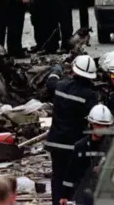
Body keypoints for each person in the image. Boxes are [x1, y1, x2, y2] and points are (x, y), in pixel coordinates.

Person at [45, 55, 99, 205]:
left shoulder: (61, 86)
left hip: (56, 143)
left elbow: (50, 82)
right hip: (74, 146)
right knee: (74, 180)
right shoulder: (90, 95)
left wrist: (56, 70)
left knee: (58, 178)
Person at [60, 104, 114, 205]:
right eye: (98, 125)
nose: (101, 129)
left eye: (104, 126)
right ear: (90, 124)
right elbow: (70, 174)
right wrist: (65, 195)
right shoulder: (81, 147)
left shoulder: (113, 146)